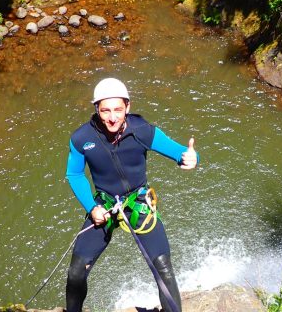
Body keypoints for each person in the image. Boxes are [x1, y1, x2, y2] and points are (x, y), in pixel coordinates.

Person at [65, 78, 198, 312]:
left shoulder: (142, 131)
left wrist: (189, 158)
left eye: (118, 109)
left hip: (137, 202)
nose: (112, 117)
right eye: (105, 110)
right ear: (96, 109)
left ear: (128, 106)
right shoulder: (81, 139)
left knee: (163, 266)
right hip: (104, 205)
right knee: (77, 271)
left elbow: (178, 151)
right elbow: (74, 174)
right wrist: (91, 207)